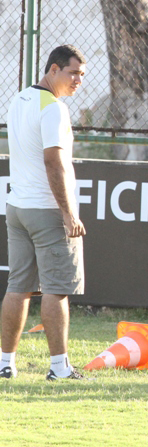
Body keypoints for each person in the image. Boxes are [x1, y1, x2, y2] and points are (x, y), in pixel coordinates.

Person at [1, 44, 87, 381]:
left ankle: (5, 362)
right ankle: (59, 368)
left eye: (82, 74)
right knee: (56, 289)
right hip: (47, 210)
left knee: (17, 288)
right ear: (53, 69)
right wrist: (67, 214)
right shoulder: (53, 108)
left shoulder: (20, 99)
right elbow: (53, 161)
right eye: (73, 72)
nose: (79, 80)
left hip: (18, 207)